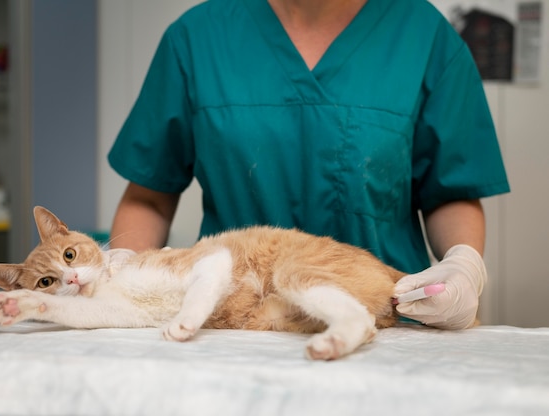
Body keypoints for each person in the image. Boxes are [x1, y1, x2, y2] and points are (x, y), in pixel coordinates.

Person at [107, 0, 510, 330]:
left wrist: (463, 264)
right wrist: (121, 279)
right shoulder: (196, 39)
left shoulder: (425, 38)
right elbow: (150, 196)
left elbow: (450, 192)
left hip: (385, 322)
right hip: (232, 326)